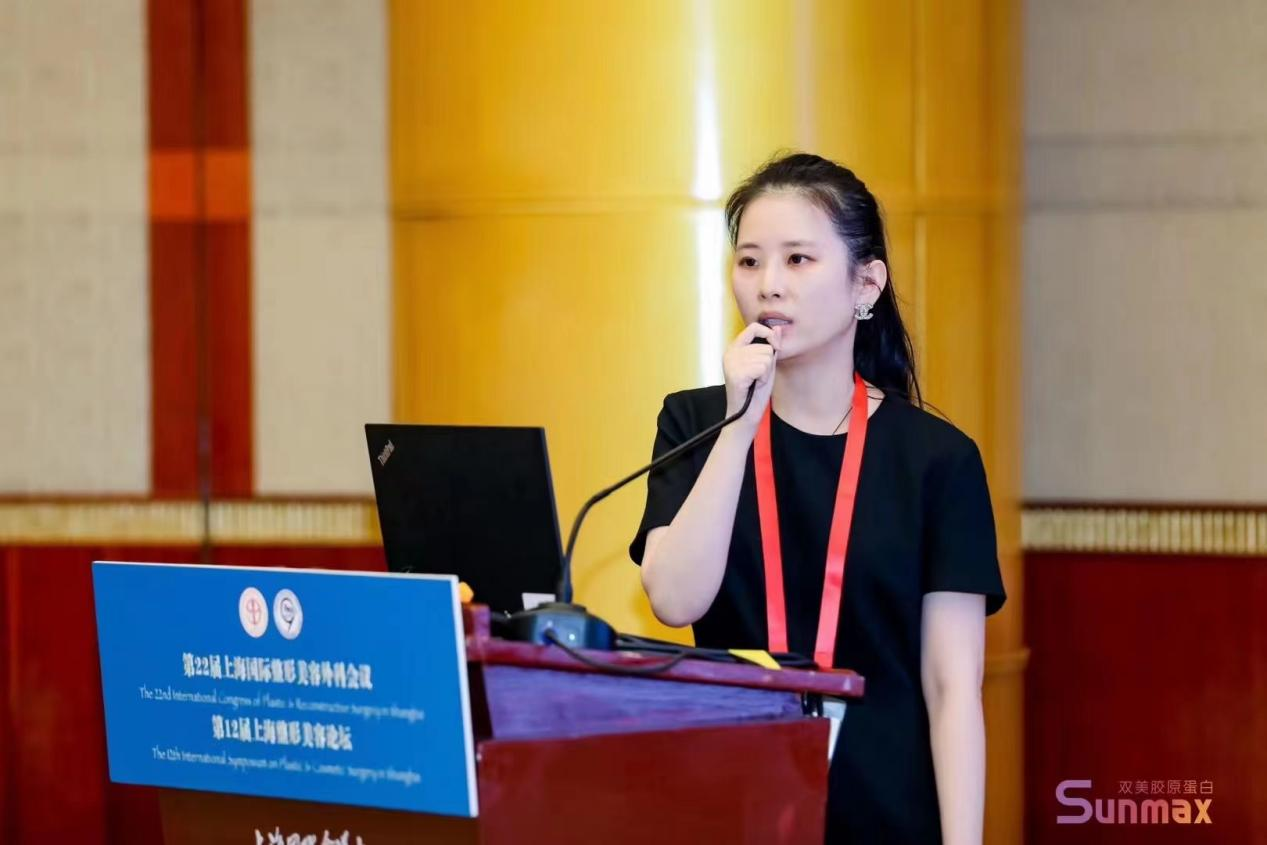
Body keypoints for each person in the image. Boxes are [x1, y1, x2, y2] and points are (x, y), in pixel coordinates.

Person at [629, 152, 1006, 843]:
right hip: (733, 812)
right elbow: (675, 600)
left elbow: (952, 688)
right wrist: (739, 425)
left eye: (797, 260)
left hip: (886, 817)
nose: (768, 285)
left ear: (866, 284)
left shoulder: (937, 459)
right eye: (749, 262)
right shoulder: (695, 423)